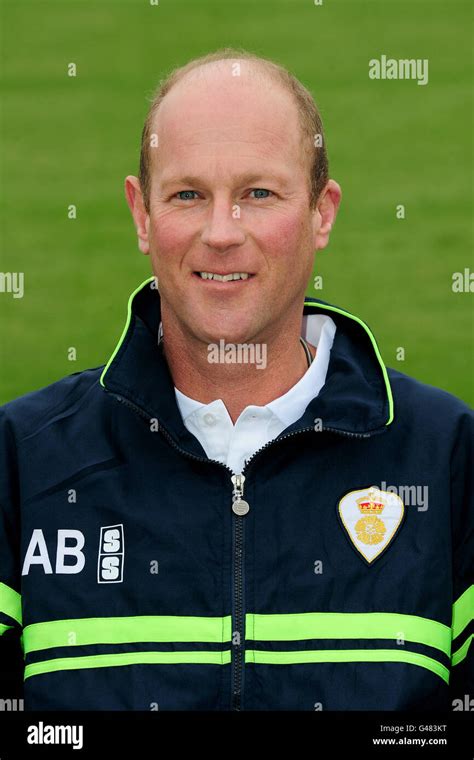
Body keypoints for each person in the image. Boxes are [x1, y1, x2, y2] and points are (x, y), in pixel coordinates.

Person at [0, 48, 472, 711]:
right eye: (188, 194)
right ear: (141, 215)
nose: (222, 233)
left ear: (321, 213)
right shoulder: (20, 458)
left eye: (258, 194)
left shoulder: (448, 455)